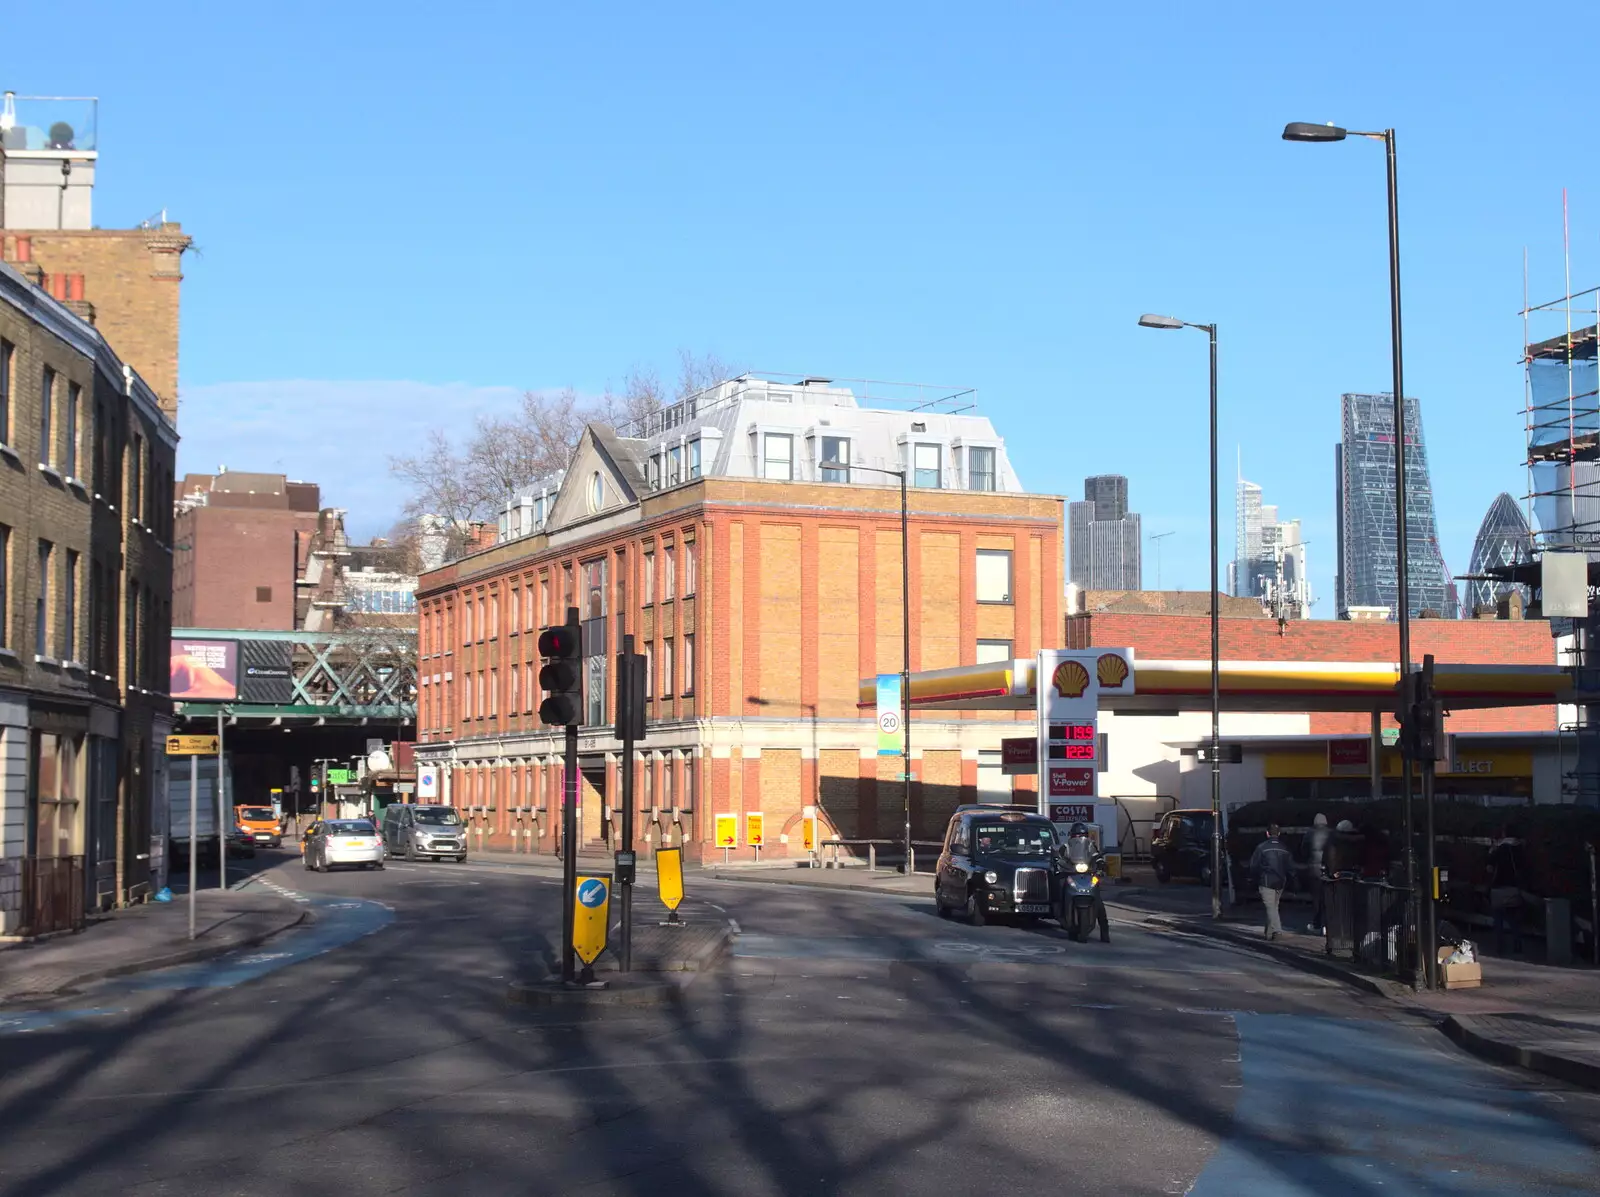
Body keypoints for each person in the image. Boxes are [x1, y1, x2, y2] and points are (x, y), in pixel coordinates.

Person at [1062, 822, 1111, 943]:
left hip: (1088, 874)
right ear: (1072, 836)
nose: (1080, 837)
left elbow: (1096, 856)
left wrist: (1100, 863)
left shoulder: (1090, 845)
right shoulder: (1066, 846)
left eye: (1082, 835)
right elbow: (1061, 857)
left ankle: (1105, 933)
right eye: (1077, 835)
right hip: (1072, 873)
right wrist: (1059, 863)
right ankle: (1063, 916)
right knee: (1060, 890)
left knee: (1099, 903)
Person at [1248, 824, 1296, 940]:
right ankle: (1269, 933)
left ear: (1267, 833)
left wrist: (1253, 879)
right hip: (1280, 881)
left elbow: (1254, 866)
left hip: (1266, 881)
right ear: (1279, 834)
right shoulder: (1284, 848)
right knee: (1274, 906)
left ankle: (1277, 931)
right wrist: (1293, 882)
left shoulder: (1261, 848)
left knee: (1271, 907)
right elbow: (1290, 868)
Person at [1487, 827, 1525, 956]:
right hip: (1513, 887)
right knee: (1514, 920)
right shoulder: (1518, 849)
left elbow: (1489, 868)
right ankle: (1517, 945)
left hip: (1498, 887)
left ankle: (1500, 947)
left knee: (1498, 920)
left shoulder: (1498, 849)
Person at [1305, 813, 1331, 934]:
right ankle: (1327, 924)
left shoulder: (1309, 833)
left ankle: (1317, 924)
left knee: (1316, 898)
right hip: (1328, 868)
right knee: (1328, 898)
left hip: (1313, 868)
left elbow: (1303, 849)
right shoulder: (1331, 833)